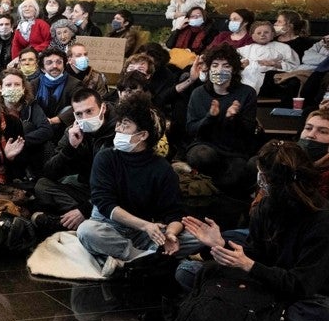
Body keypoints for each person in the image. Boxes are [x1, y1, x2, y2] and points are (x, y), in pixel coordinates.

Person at [183, 141, 329, 321]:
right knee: (188, 270)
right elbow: (255, 253)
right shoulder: (267, 207)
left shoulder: (321, 220)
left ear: (271, 179)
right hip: (268, 283)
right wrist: (220, 245)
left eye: (262, 174)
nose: (258, 180)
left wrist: (250, 266)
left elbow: (301, 285)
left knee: (322, 312)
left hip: (305, 292)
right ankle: (271, 317)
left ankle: (262, 314)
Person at [77, 95, 200, 274]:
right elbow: (104, 204)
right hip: (109, 226)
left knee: (198, 237)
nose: (117, 128)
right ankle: (142, 258)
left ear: (142, 135)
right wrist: (145, 226)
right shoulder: (106, 157)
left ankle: (129, 259)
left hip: (144, 232)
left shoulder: (162, 168)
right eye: (118, 123)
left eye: (125, 125)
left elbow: (174, 212)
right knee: (86, 231)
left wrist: (170, 234)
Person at [33, 87, 115, 232]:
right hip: (85, 188)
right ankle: (81, 221)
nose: (85, 118)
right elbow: (49, 172)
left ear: (103, 108)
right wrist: (70, 148)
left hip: (110, 193)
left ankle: (69, 222)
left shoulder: (118, 132)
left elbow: (119, 184)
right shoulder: (74, 131)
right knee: (42, 186)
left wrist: (85, 209)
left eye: (89, 111)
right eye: (79, 114)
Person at [186, 44, 258, 192]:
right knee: (202, 156)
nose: (220, 70)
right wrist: (210, 117)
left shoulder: (247, 93)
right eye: (215, 65)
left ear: (234, 70)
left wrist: (234, 118)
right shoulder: (198, 93)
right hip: (205, 144)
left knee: (235, 176)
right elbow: (191, 129)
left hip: (235, 150)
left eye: (226, 66)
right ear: (209, 68)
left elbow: (249, 131)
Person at [0, 68, 54, 171]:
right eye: (8, 85)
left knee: (28, 128)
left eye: (17, 84)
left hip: (28, 151)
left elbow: (46, 129)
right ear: (1, 88)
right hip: (3, 153)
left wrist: (19, 142)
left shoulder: (31, 105)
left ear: (23, 88)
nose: (13, 88)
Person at [238, 20, 299, 95]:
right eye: (259, 33)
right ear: (252, 36)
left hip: (272, 81)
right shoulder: (245, 49)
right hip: (247, 79)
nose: (262, 35)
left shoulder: (284, 48)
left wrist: (276, 64)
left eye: (266, 32)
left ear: (273, 34)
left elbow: (295, 65)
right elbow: (233, 61)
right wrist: (243, 64)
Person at [30, 47, 80, 129]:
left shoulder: (75, 84)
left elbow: (79, 107)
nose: (55, 66)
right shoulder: (34, 84)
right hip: (38, 125)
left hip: (64, 127)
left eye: (59, 62)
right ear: (43, 68)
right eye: (49, 63)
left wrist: (54, 120)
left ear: (64, 66)